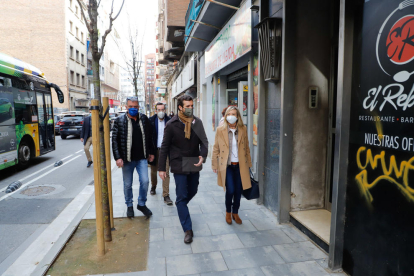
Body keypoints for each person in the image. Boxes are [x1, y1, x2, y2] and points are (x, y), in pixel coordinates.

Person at [158, 95, 208, 244]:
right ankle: (187, 229)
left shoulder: (197, 122)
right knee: (181, 197)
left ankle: (181, 206)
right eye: (187, 106)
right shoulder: (172, 124)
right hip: (178, 163)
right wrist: (161, 168)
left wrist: (202, 155)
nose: (190, 108)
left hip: (193, 161)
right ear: (180, 107)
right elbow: (164, 147)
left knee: (193, 190)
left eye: (191, 106)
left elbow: (204, 141)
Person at [112, 97, 155, 219]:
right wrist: (118, 157)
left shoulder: (144, 119)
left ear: (138, 107)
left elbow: (149, 137)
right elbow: (114, 140)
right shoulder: (119, 121)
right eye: (130, 106)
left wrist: (151, 152)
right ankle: (129, 206)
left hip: (142, 158)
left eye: (135, 106)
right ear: (126, 107)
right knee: (127, 184)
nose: (133, 109)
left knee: (145, 181)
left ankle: (141, 204)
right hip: (127, 159)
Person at [212, 106, 252, 225]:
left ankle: (235, 212)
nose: (231, 116)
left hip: (240, 166)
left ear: (237, 116)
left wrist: (249, 164)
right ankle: (228, 212)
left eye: (234, 114)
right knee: (230, 190)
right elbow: (216, 148)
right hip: (227, 166)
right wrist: (215, 164)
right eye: (229, 114)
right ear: (225, 116)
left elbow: (247, 148)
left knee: (239, 191)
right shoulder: (220, 130)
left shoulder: (243, 129)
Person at [149, 102, 173, 205]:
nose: (161, 112)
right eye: (159, 110)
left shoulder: (170, 121)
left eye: (162, 109)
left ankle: (166, 195)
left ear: (165, 110)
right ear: (156, 111)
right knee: (154, 171)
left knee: (166, 172)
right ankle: (153, 186)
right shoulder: (151, 121)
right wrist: (150, 152)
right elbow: (148, 138)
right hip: (155, 150)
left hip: (166, 150)